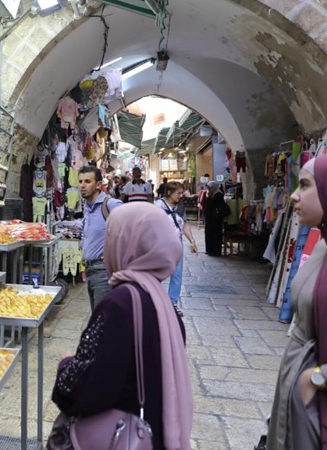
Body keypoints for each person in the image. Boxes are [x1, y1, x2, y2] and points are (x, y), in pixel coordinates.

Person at [51, 203, 193, 450]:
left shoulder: (119, 304)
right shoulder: (164, 304)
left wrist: (66, 364)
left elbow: (91, 388)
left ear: (126, 243)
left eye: (111, 236)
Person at [267, 153, 327, 450]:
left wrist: (321, 378)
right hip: (301, 400)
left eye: (306, 186)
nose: (295, 196)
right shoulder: (326, 245)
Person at [78, 166, 123, 309]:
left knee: (103, 321)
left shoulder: (110, 204)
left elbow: (134, 227)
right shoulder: (88, 206)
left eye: (87, 181)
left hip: (104, 272)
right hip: (91, 270)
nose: (82, 185)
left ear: (98, 185)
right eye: (80, 181)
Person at [155, 181, 199, 315]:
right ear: (168, 193)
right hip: (161, 244)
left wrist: (192, 241)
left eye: (181, 193)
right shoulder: (158, 206)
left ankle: (172, 304)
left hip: (177, 242)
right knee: (157, 274)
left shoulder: (180, 206)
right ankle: (155, 302)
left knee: (177, 274)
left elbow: (184, 224)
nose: (180, 196)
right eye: (178, 193)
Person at [203, 181, 227, 256]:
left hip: (216, 219)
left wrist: (209, 198)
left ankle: (215, 251)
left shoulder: (218, 195)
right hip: (210, 218)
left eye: (210, 188)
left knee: (215, 234)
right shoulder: (211, 194)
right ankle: (210, 249)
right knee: (209, 233)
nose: (209, 189)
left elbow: (212, 206)